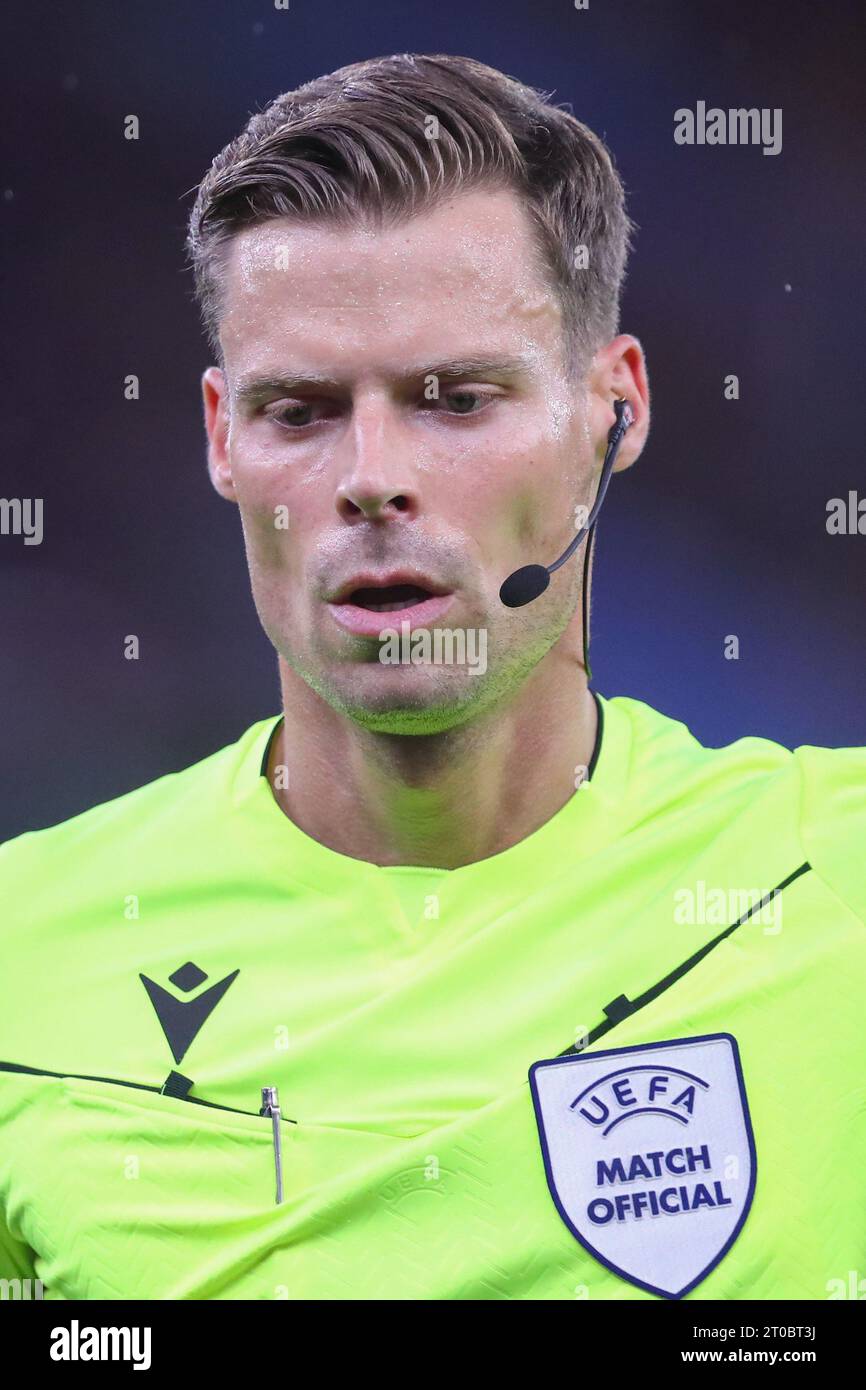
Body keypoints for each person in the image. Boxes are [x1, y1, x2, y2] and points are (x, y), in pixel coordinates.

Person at [1, 53, 863, 1303]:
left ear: (610, 412)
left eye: (453, 399)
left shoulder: (828, 872)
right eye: (297, 410)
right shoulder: (22, 951)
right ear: (219, 437)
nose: (370, 476)